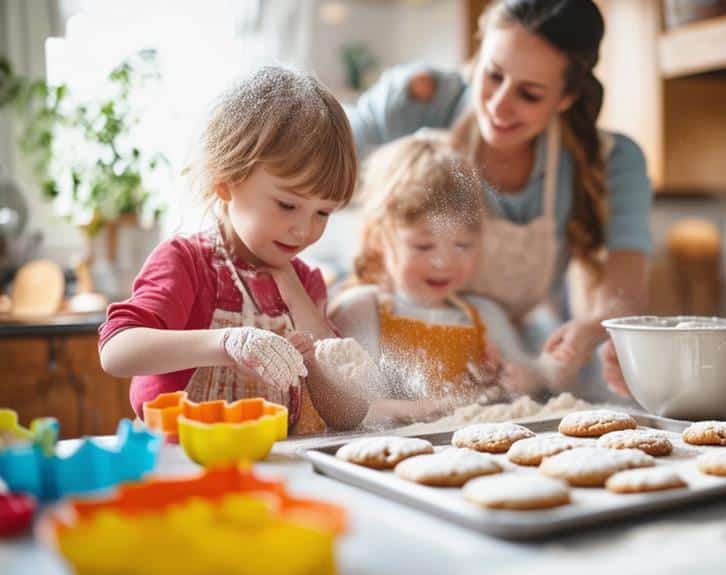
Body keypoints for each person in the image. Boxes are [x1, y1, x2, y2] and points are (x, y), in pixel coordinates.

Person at [347, 0, 651, 400]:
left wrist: (591, 328)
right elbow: (303, 163)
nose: (498, 104)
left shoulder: (610, 160)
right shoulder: (419, 99)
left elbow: (622, 293)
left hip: (502, 361)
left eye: (529, 94)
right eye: (492, 75)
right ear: (477, 54)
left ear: (566, 97)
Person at [98, 66, 369, 433]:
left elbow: (347, 415)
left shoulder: (306, 283)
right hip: (182, 460)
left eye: (323, 212)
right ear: (225, 182)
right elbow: (117, 351)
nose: (304, 229)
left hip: (268, 461)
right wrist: (226, 343)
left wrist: (313, 354)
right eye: (287, 205)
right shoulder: (186, 263)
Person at [330, 133, 555, 423]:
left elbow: (535, 383)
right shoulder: (362, 311)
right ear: (378, 238)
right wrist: (420, 411)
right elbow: (347, 410)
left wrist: (518, 378)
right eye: (423, 246)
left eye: (463, 245)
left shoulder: (485, 316)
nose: (443, 261)